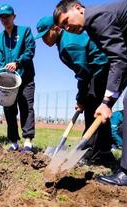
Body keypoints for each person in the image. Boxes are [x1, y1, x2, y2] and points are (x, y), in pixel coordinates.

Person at [54, 0, 127, 186]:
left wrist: (106, 102)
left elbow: (118, 59)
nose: (67, 28)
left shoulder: (96, 18)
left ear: (78, 8)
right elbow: (123, 58)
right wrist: (109, 99)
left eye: (66, 21)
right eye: (62, 26)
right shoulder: (91, 27)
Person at [35, 16, 115, 165]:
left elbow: (83, 74)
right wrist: (81, 98)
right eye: (42, 37)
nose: (45, 40)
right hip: (98, 70)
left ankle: (89, 152)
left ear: (56, 28)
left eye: (46, 34)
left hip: (101, 68)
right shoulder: (64, 40)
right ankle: (104, 152)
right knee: (98, 109)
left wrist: (80, 99)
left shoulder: (68, 44)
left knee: (93, 108)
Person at [0, 4, 36, 153]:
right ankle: (13, 142)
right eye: (1, 17)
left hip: (25, 78)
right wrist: (2, 72)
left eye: (7, 16)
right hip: (8, 82)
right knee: (9, 110)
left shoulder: (25, 32)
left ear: (14, 17)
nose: (4, 19)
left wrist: (18, 63)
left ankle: (28, 141)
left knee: (26, 107)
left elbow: (30, 51)